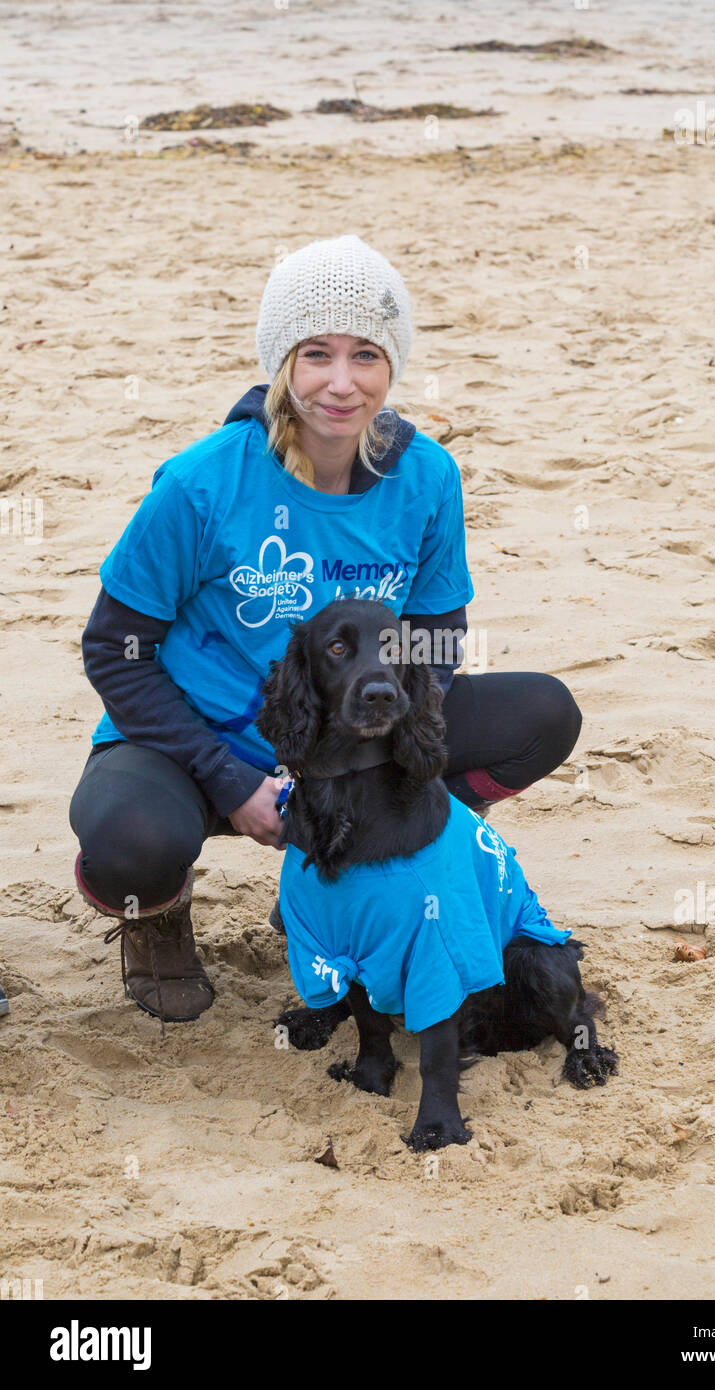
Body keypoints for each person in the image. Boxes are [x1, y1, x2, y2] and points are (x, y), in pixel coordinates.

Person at [69, 234, 582, 1027]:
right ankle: (159, 920)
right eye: (317, 354)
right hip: (198, 742)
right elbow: (116, 648)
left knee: (542, 716)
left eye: (367, 355)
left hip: (354, 743)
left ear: (392, 366)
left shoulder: (427, 477)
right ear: (282, 361)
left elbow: (438, 631)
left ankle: (362, 862)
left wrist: (400, 729)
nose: (341, 384)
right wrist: (231, 780)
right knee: (127, 840)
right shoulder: (201, 482)